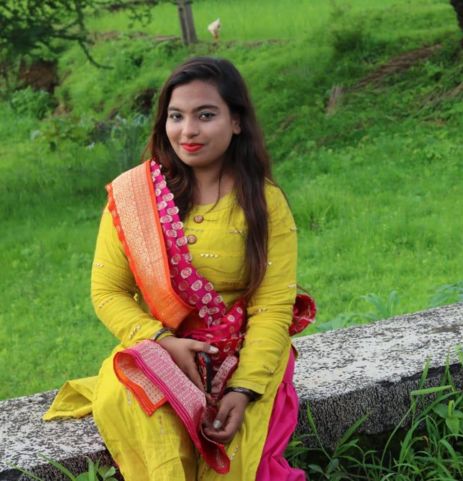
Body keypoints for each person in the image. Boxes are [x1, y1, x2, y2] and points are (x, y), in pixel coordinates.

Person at [44, 57, 306, 481]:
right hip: (159, 352)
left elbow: (273, 306)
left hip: (244, 356)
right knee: (140, 412)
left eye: (206, 115)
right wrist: (163, 341)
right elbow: (109, 291)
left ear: (236, 121)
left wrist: (244, 388)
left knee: (235, 457)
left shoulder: (263, 203)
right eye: (176, 116)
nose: (188, 131)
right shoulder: (134, 196)